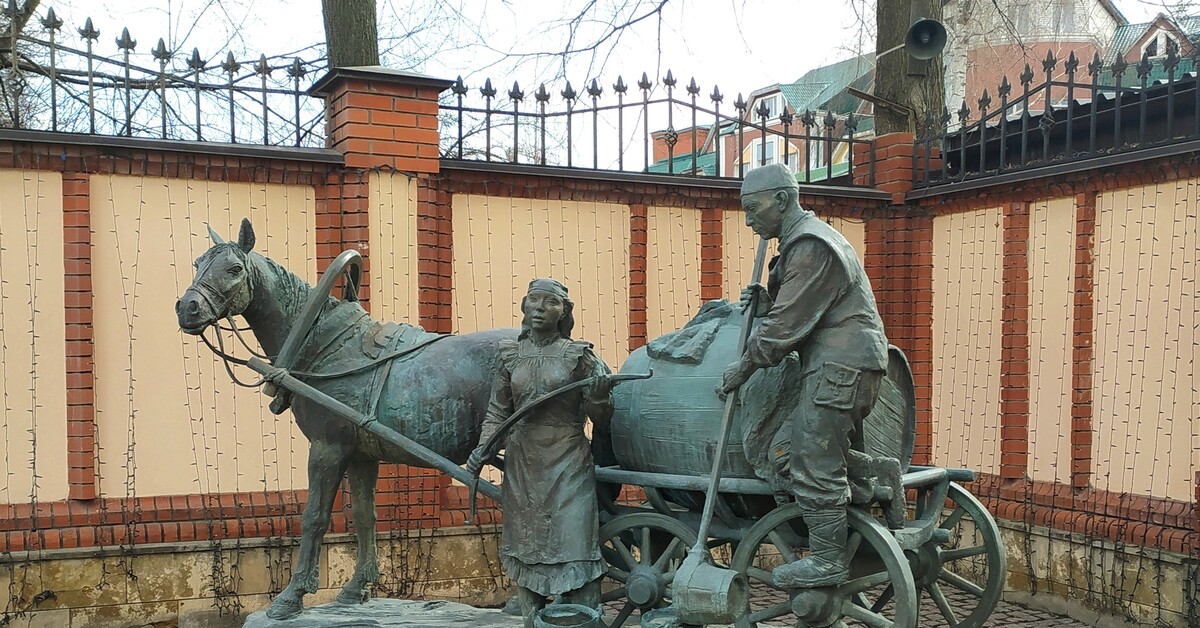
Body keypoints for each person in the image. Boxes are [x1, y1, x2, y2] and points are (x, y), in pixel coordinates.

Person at [720, 163, 889, 589]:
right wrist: (768, 296)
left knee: (812, 459)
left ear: (781, 199)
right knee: (792, 449)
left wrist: (740, 369)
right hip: (839, 362)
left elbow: (783, 330)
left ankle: (828, 560)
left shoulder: (812, 245)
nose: (748, 218)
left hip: (839, 366)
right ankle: (876, 473)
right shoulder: (802, 244)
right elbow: (800, 308)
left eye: (752, 207)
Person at [467, 278, 612, 627]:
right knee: (527, 547)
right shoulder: (509, 355)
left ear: (564, 311)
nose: (540, 308)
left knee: (576, 545)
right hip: (523, 462)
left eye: (550, 302)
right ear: (524, 305)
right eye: (534, 300)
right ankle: (532, 620)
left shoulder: (579, 355)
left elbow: (603, 420)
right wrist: (483, 448)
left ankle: (585, 620)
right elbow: (498, 411)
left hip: (568, 461)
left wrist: (599, 396)